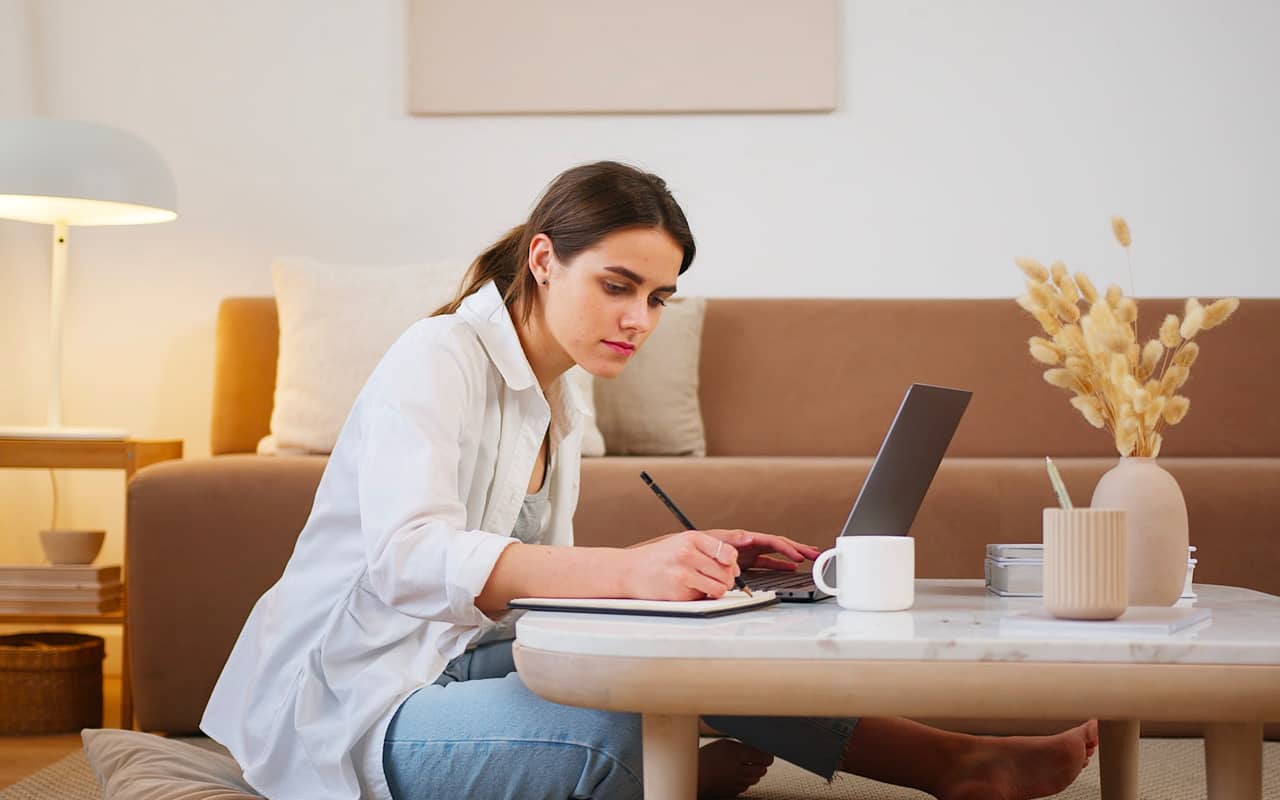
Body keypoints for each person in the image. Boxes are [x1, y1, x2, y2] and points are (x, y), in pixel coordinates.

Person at [202, 161, 1098, 800]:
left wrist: (683, 571)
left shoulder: (560, 393)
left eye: (658, 298)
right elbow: (408, 559)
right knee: (622, 729)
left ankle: (955, 763)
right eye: (618, 286)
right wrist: (631, 573)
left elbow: (524, 587)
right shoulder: (436, 358)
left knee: (700, 648)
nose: (639, 319)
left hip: (445, 660)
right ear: (545, 259)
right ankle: (669, 777)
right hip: (351, 704)